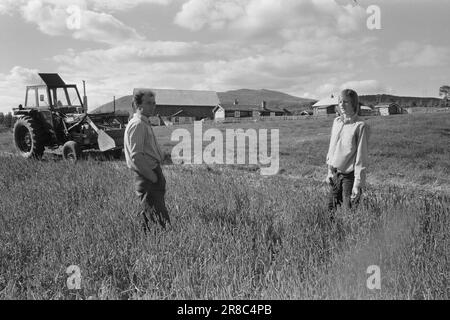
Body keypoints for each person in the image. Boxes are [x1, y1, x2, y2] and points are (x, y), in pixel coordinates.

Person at [124, 89, 170, 232]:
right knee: (159, 220)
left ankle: (147, 242)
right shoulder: (138, 124)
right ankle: (160, 245)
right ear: (138, 105)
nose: (153, 106)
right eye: (148, 103)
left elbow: (147, 151)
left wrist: (162, 156)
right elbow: (136, 156)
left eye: (154, 103)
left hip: (150, 174)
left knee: (150, 216)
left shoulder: (143, 123)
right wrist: (153, 177)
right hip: (148, 175)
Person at [326, 89, 370, 211]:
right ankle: (334, 231)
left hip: (349, 177)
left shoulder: (361, 126)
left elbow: (362, 157)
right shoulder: (337, 122)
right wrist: (329, 171)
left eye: (346, 102)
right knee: (330, 211)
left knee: (349, 212)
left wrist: (358, 183)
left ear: (353, 104)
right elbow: (332, 148)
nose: (342, 105)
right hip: (335, 174)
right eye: (340, 101)